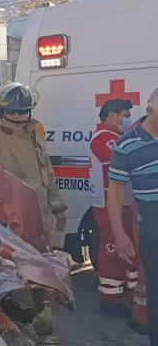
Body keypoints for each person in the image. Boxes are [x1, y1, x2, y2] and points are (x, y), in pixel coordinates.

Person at [0, 82, 65, 345]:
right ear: (1, 111)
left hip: (42, 222)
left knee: (44, 281)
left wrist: (58, 208)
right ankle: (22, 333)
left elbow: (47, 174)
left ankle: (45, 332)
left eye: (23, 111)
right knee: (19, 284)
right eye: (13, 111)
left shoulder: (35, 135)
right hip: (11, 228)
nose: (18, 116)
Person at [109, 87, 158, 346]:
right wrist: (119, 233)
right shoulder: (127, 144)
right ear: (151, 110)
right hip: (154, 230)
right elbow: (115, 192)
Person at [88, 100, 145, 321]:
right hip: (108, 205)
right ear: (112, 116)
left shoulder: (116, 138)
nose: (127, 119)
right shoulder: (103, 138)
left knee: (129, 250)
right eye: (125, 115)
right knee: (112, 251)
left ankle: (128, 293)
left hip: (124, 203)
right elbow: (122, 163)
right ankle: (110, 299)